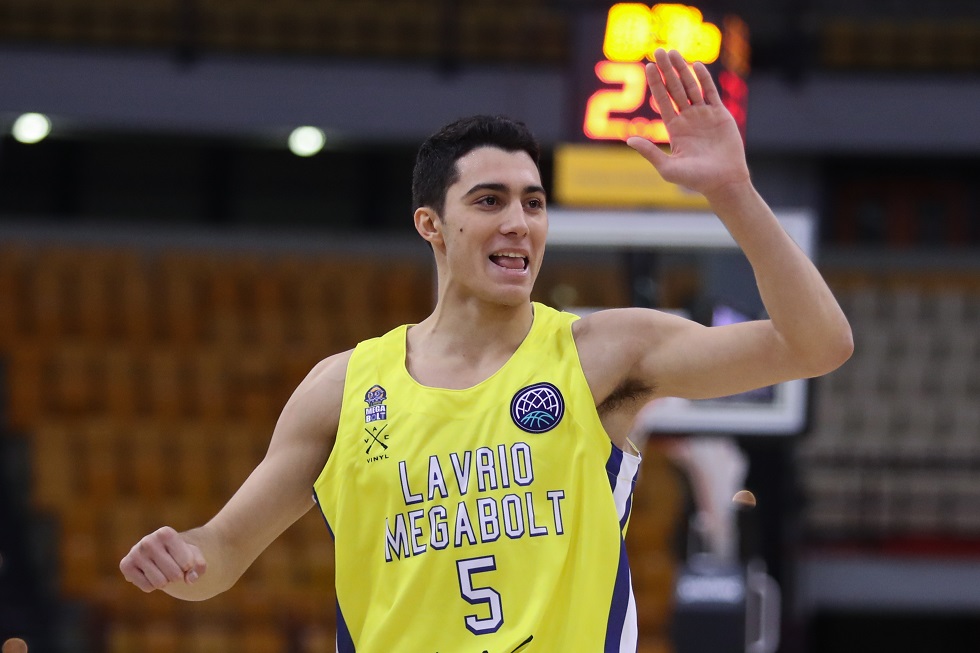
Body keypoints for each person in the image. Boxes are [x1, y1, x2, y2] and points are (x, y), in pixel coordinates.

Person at [120, 49, 853, 652]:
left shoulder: (602, 352)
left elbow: (817, 344)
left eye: (533, 202)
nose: (518, 223)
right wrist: (181, 558)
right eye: (489, 200)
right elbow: (223, 553)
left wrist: (732, 191)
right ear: (431, 224)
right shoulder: (342, 388)